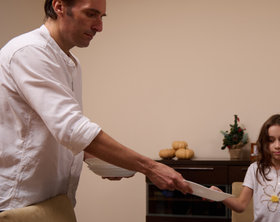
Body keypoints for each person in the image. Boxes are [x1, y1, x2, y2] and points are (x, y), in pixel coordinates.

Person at [0, 0, 191, 211]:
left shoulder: (70, 62)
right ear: (59, 6)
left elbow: (55, 130)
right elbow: (72, 129)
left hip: (53, 203)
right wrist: (151, 167)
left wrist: (98, 159)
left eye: (101, 17)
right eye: (91, 14)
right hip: (17, 205)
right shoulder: (29, 52)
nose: (99, 27)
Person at [212, 114, 280, 222]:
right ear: (264, 143)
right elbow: (240, 205)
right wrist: (221, 196)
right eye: (271, 141)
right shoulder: (255, 169)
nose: (277, 146)